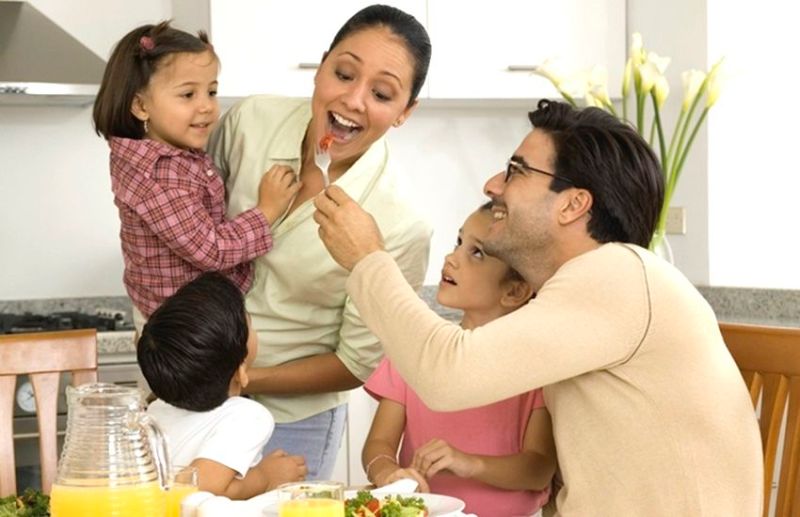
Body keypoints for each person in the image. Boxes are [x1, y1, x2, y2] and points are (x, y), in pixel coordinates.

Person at [313, 100, 762, 514]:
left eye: (516, 171)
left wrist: (368, 258)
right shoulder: (596, 287)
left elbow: (448, 374)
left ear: (573, 204)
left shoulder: (617, 274)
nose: (493, 185)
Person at [207, 5, 432, 480]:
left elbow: (354, 363)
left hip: (291, 424)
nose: (353, 99)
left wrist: (241, 380)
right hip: (189, 396)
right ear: (321, 66)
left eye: (382, 93)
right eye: (344, 74)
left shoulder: (400, 224)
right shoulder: (250, 123)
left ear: (404, 113)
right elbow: (187, 226)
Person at [92, 21, 300, 329]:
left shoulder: (171, 154)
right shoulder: (159, 174)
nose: (207, 106)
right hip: (182, 325)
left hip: (178, 312)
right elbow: (210, 250)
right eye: (188, 94)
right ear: (141, 105)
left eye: (211, 91)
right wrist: (267, 210)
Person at [362, 203, 555, 517]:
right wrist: (387, 474)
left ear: (515, 291)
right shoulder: (415, 350)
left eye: (476, 253)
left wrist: (469, 463)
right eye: (458, 242)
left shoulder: (538, 368)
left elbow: (538, 469)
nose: (451, 258)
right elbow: (378, 444)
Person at [138, 272, 307, 499]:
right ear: (241, 372)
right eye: (250, 324)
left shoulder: (155, 410)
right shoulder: (247, 417)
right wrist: (265, 477)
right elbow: (199, 489)